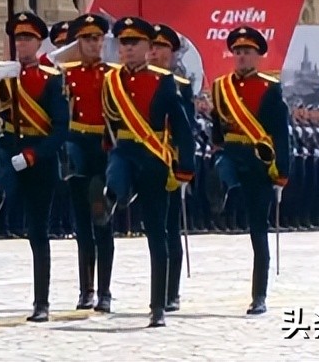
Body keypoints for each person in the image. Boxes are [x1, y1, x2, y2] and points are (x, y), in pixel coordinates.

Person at [100, 17, 195, 328]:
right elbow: (111, 123)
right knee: (116, 168)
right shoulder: (111, 81)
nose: (127, 49)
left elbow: (181, 127)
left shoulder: (163, 81)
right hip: (125, 150)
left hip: (153, 156)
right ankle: (111, 197)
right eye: (123, 44)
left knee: (156, 232)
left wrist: (184, 169)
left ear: (147, 48)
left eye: (134, 44)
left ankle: (158, 305)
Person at [0, 12, 69, 323]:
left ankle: (41, 301)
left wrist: (35, 156)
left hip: (39, 159)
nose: (21, 44)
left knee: (38, 230)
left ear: (38, 43)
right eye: (17, 39)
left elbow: (61, 129)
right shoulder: (3, 75)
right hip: (9, 154)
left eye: (27, 39)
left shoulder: (52, 79)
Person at [210, 26, 291, 316]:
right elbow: (216, 123)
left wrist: (281, 172)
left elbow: (281, 133)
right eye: (238, 52)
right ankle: (221, 194)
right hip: (232, 153)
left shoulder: (270, 88)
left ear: (257, 56)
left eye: (247, 52)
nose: (242, 56)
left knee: (259, 230)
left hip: (259, 161)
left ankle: (259, 295)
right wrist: (217, 145)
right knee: (219, 170)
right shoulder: (221, 87)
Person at [54, 14, 115, 312]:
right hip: (77, 148)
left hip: (104, 149)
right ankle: (85, 289)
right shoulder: (67, 73)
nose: (93, 44)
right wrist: (65, 53)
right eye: (87, 39)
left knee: (102, 220)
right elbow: (42, 64)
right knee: (82, 224)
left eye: (97, 38)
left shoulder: (113, 74)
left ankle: (104, 291)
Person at [148, 23, 197, 312]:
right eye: (152, 47)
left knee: (170, 227)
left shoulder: (180, 86)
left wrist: (183, 167)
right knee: (154, 227)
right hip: (146, 160)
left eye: (161, 47)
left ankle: (171, 291)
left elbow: (185, 128)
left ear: (172, 53)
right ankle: (159, 288)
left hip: (170, 162)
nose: (155, 52)